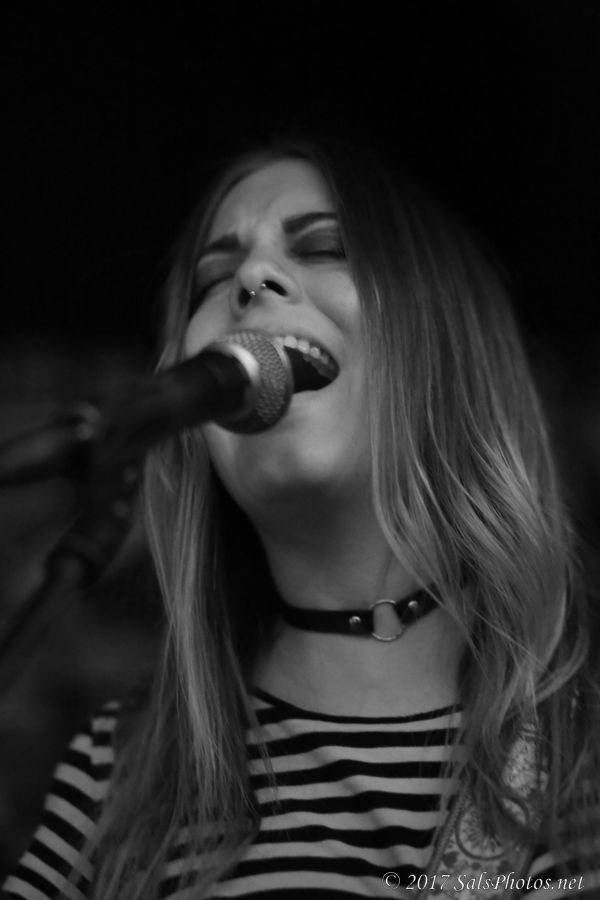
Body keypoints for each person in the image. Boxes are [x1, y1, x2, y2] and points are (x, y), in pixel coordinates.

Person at [2, 136, 599, 899]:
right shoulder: (115, 771)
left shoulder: (582, 753)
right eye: (213, 278)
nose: (251, 277)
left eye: (323, 248)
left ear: (447, 347)